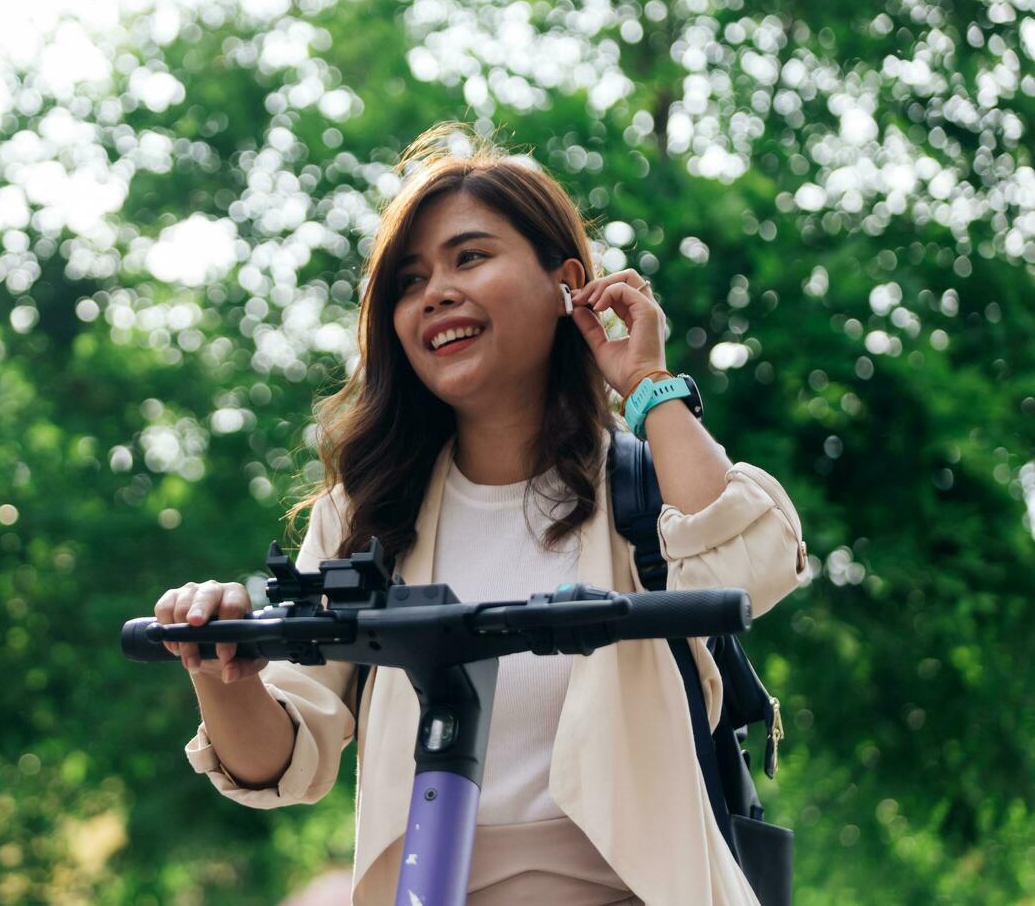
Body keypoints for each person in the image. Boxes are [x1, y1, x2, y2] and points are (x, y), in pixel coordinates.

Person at [153, 122, 811, 905]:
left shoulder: (641, 488)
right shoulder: (368, 518)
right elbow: (283, 762)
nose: (435, 292)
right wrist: (222, 671)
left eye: (470, 257)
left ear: (568, 283)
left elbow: (752, 571)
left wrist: (648, 383)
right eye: (408, 280)